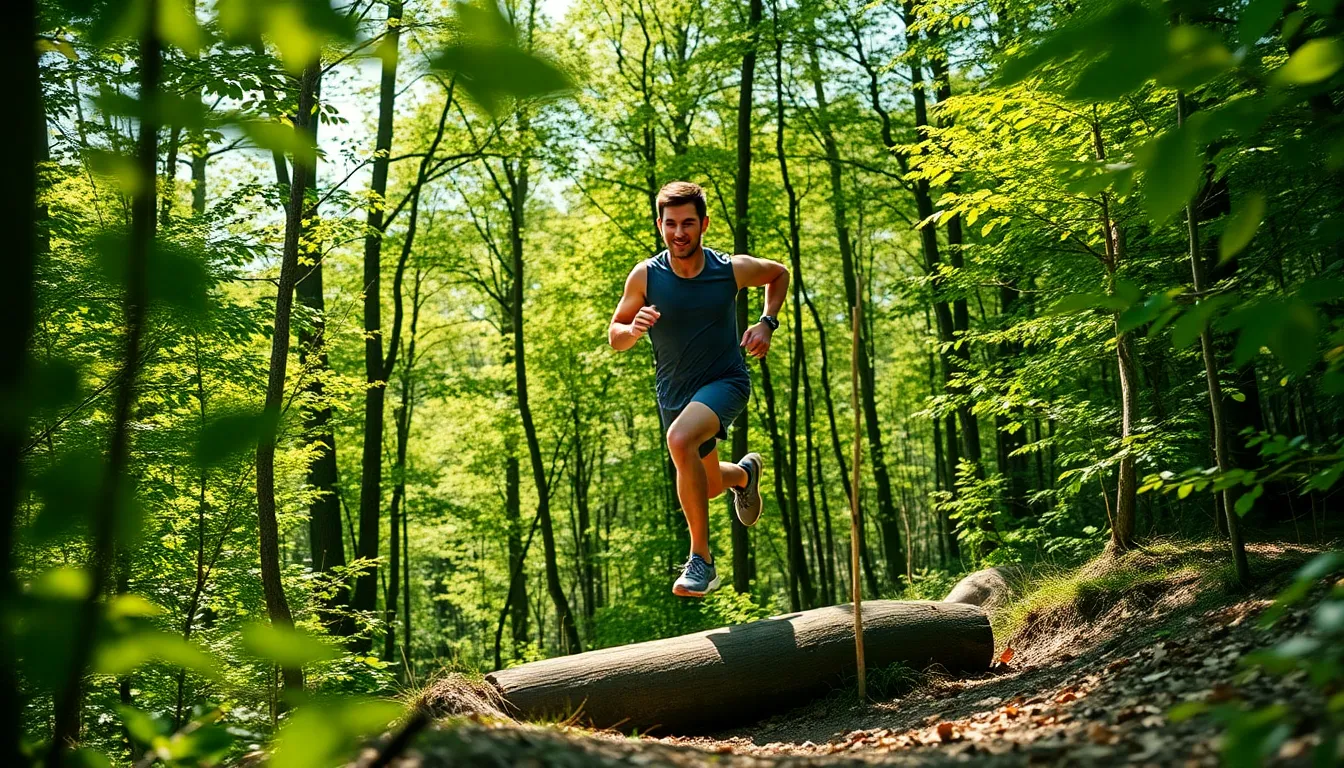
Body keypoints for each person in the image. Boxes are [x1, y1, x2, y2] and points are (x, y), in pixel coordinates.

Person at [607, 181, 790, 597]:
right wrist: (632, 330)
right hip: (674, 396)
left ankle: (701, 561)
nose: (679, 233)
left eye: (688, 223)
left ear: (704, 224)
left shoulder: (728, 269)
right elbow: (615, 335)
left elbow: (778, 273)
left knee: (679, 439)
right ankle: (743, 475)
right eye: (670, 224)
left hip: (725, 382)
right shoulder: (646, 276)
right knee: (705, 486)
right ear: (660, 225)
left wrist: (767, 322)